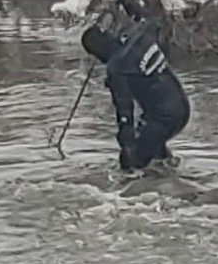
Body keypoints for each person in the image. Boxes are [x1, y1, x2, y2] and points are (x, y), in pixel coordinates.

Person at [81, 13, 190, 173]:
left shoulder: (117, 68)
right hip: (182, 109)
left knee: (133, 162)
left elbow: (125, 110)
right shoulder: (139, 36)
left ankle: (144, 192)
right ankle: (170, 174)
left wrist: (127, 147)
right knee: (153, 146)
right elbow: (145, 18)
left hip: (162, 119)